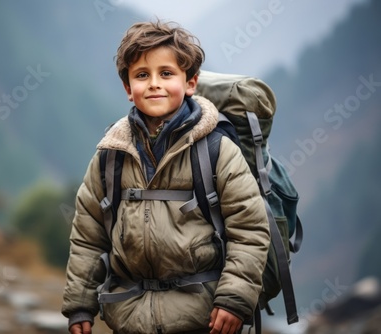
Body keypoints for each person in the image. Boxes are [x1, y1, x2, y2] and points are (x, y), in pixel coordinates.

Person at [62, 20, 270, 334]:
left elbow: (249, 229)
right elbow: (88, 236)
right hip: (128, 317)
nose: (154, 83)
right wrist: (79, 305)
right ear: (128, 88)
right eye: (142, 75)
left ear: (190, 83)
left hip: (204, 318)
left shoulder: (216, 150)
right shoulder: (111, 154)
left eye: (167, 73)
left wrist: (233, 299)